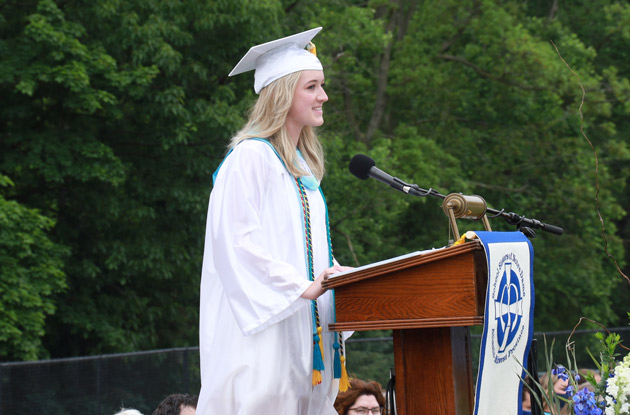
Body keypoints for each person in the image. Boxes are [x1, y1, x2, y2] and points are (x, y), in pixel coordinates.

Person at [197, 27, 352, 415]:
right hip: (266, 333)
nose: (324, 97)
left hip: (302, 329)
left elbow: (309, 254)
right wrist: (301, 287)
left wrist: (340, 279)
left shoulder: (300, 169)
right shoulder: (250, 158)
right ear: (283, 94)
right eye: (312, 87)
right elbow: (236, 244)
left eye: (322, 86)